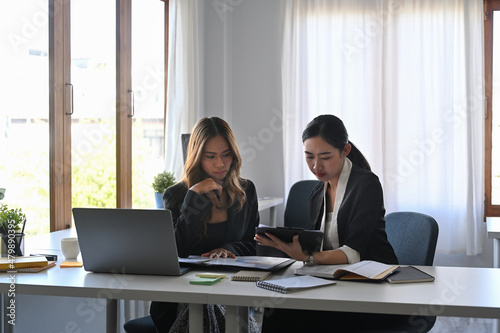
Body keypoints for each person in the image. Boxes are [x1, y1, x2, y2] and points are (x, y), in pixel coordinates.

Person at [255, 114, 408, 332]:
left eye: (325, 157)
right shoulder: (317, 193)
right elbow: (321, 247)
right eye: (309, 157)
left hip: (373, 285)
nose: (316, 166)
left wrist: (308, 257)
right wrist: (289, 247)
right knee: (279, 311)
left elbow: (354, 252)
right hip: (335, 282)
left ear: (345, 151)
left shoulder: (366, 184)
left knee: (308, 319)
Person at [149, 117, 260, 333]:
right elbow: (175, 251)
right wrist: (193, 199)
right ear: (197, 157)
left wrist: (228, 250)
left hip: (232, 293)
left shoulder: (246, 191)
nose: (220, 164)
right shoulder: (176, 195)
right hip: (182, 298)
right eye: (210, 157)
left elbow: (255, 244)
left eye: (226, 155)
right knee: (209, 312)